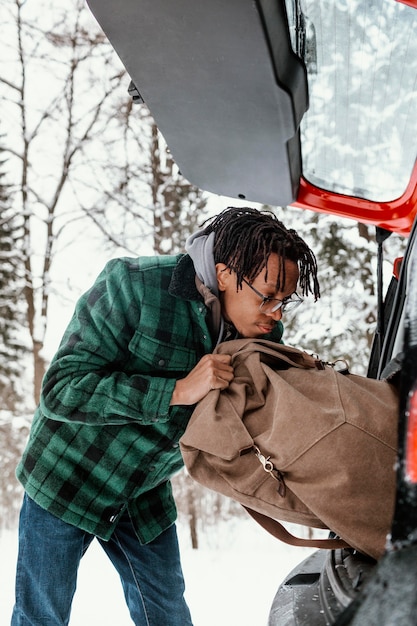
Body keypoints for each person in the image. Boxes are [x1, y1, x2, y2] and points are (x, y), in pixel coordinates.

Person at [11, 207, 320, 626]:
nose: (276, 314)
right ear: (225, 274)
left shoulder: (260, 334)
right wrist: (176, 391)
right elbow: (61, 390)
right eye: (267, 296)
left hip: (142, 490)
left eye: (285, 301)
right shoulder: (132, 285)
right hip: (67, 479)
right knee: (40, 617)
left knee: (169, 616)